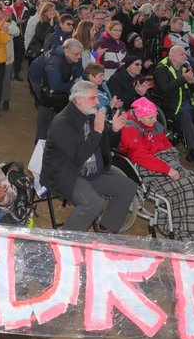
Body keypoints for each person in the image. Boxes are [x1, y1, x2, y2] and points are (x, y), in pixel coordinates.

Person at [41, 80, 137, 232]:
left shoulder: (91, 114)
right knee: (93, 203)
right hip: (67, 173)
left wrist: (114, 130)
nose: (98, 102)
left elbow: (106, 144)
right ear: (78, 100)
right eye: (93, 98)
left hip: (92, 170)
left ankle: (105, 230)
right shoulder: (62, 122)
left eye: (97, 97)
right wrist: (97, 132)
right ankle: (65, 241)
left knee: (128, 187)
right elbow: (79, 157)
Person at [118, 97, 194, 242]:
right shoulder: (129, 128)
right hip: (148, 167)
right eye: (150, 117)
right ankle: (187, 236)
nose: (155, 120)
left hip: (166, 162)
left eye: (155, 115)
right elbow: (141, 156)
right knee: (189, 187)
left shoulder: (153, 125)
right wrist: (167, 169)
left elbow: (166, 146)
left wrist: (172, 164)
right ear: (139, 116)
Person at [153, 46, 194, 162]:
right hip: (169, 105)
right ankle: (191, 150)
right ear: (172, 55)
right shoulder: (161, 69)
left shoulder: (185, 67)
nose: (185, 56)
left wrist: (193, 82)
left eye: (185, 54)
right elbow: (164, 89)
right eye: (182, 54)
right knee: (186, 117)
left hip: (186, 102)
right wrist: (183, 79)